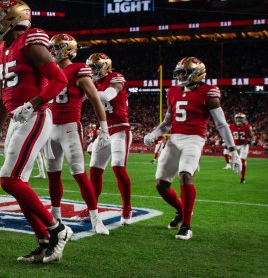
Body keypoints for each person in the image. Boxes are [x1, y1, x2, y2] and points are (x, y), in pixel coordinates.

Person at [0, 0, 72, 263]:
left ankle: (58, 229)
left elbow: (60, 79)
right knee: (17, 182)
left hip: (35, 115)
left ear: (11, 19)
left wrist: (32, 103)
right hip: (17, 118)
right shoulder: (0, 50)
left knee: (9, 180)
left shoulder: (31, 40)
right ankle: (44, 241)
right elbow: (3, 94)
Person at [144, 57, 242, 240]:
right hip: (173, 139)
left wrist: (233, 150)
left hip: (194, 139)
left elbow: (221, 124)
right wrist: (153, 133)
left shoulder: (208, 92)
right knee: (161, 185)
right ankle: (181, 211)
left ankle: (187, 226)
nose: (180, 76)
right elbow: (167, 123)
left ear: (197, 74)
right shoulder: (173, 91)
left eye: (184, 73)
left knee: (185, 174)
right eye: (178, 72)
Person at [45, 34, 110, 234]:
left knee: (79, 174)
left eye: (57, 48)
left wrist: (104, 128)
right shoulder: (50, 70)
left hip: (69, 128)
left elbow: (95, 100)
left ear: (68, 49)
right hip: (50, 128)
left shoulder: (79, 69)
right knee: (53, 175)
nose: (53, 52)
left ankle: (95, 217)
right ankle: (55, 217)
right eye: (52, 48)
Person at [86, 52, 133, 225]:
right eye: (90, 68)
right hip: (104, 131)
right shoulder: (92, 82)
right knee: (95, 170)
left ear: (105, 67)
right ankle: (92, 208)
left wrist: (85, 90)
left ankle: (127, 207)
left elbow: (106, 96)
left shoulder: (116, 77)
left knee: (118, 167)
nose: (92, 71)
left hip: (121, 128)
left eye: (95, 68)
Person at [229, 112, 256, 183]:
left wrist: (252, 140)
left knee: (242, 160)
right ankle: (237, 168)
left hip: (244, 145)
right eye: (238, 118)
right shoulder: (231, 126)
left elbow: (252, 136)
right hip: (235, 145)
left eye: (241, 118)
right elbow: (229, 136)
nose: (239, 119)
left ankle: (242, 178)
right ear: (235, 118)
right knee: (233, 161)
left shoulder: (247, 127)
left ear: (244, 119)